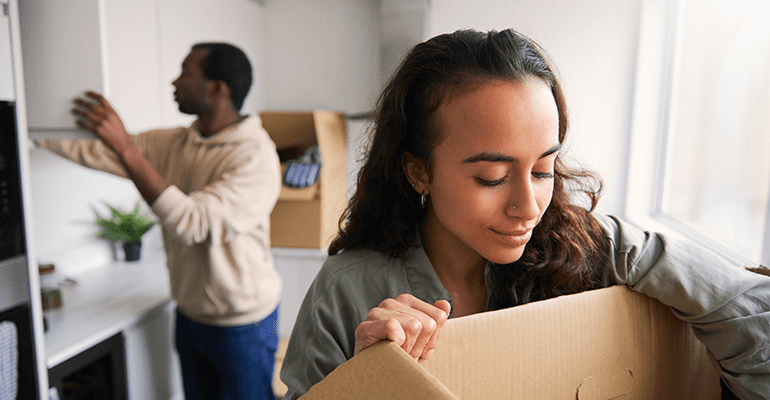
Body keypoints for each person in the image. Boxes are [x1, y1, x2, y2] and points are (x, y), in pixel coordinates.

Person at [279, 29, 770, 400]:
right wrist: (367, 382)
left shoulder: (600, 249)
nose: (529, 207)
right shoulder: (346, 289)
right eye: (492, 177)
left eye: (543, 170)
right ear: (418, 171)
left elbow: (754, 314)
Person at [37, 43, 282, 400]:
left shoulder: (255, 157)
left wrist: (127, 148)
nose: (174, 81)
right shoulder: (176, 142)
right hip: (190, 315)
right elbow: (95, 149)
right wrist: (28, 124)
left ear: (216, 88)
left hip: (242, 323)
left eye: (186, 72)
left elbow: (192, 222)